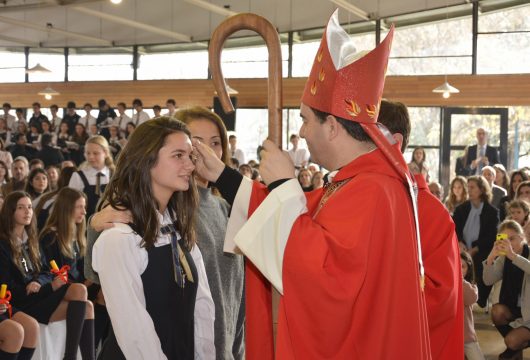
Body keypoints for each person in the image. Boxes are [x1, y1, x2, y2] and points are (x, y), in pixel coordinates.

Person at [193, 11, 430, 359]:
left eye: (305, 119)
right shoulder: (360, 181)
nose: (301, 131)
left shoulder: (373, 190)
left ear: (332, 126)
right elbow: (297, 215)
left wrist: (284, 184)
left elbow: (323, 279)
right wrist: (223, 176)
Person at [91, 117, 215, 359]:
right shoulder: (119, 238)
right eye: (178, 155)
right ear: (146, 160)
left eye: (190, 156)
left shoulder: (178, 229)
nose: (190, 166)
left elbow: (202, 309)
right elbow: (134, 333)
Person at [378, 99, 464, 359]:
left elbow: (440, 298)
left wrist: (372, 310)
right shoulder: (361, 197)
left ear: (394, 141)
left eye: (367, 132)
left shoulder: (428, 211)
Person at [0, 191, 95, 360]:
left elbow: (45, 270)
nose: (28, 211)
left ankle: (80, 357)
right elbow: (8, 286)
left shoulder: (31, 239)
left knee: (86, 304)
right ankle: (70, 357)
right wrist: (48, 286)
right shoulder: (4, 245)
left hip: (40, 293)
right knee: (79, 290)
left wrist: (39, 281)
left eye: (29, 207)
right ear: (10, 212)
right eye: (21, 208)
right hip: (25, 301)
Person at [484, 220, 530, 360]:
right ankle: (515, 346)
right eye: (505, 239)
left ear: (522, 237)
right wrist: (491, 257)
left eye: (512, 239)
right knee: (497, 311)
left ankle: (513, 346)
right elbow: (488, 280)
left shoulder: (518, 255)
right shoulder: (504, 258)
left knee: (511, 342)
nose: (509, 243)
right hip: (516, 310)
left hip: (529, 315)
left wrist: (514, 257)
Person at [453, 176, 499, 308]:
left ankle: (480, 300)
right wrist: (460, 243)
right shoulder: (461, 209)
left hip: (481, 250)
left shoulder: (491, 212)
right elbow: (454, 229)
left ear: (482, 189)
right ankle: (458, 298)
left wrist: (474, 249)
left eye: (472, 187)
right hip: (462, 248)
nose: (469, 190)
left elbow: (491, 236)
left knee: (482, 260)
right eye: (468, 187)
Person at [39, 188, 87, 285]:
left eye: (84, 207)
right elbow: (53, 274)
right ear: (66, 209)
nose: (84, 212)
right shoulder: (50, 237)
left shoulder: (77, 232)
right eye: (79, 207)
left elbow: (80, 269)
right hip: (64, 289)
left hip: (79, 284)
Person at [68, 135, 114, 218]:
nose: (91, 157)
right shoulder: (78, 176)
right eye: (88, 153)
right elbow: (70, 205)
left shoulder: (114, 175)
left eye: (95, 153)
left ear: (106, 153)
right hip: (86, 224)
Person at [461, 251, 485, 360]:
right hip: (449, 335)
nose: (460, 269)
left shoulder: (471, 287)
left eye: (463, 267)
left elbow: (470, 298)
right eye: (457, 265)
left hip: (467, 337)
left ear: (468, 269)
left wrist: (459, 279)